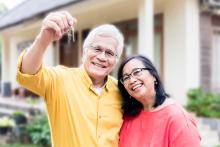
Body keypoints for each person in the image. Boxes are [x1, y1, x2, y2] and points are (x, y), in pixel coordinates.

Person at [16, 11, 124, 147]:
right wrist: (44, 39)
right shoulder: (61, 79)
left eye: (109, 53)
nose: (102, 57)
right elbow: (28, 73)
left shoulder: (121, 91)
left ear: (115, 60)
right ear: (84, 53)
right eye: (96, 49)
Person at [117, 55, 201, 147]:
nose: (132, 80)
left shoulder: (177, 118)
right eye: (126, 78)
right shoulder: (128, 116)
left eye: (137, 72)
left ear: (153, 76)